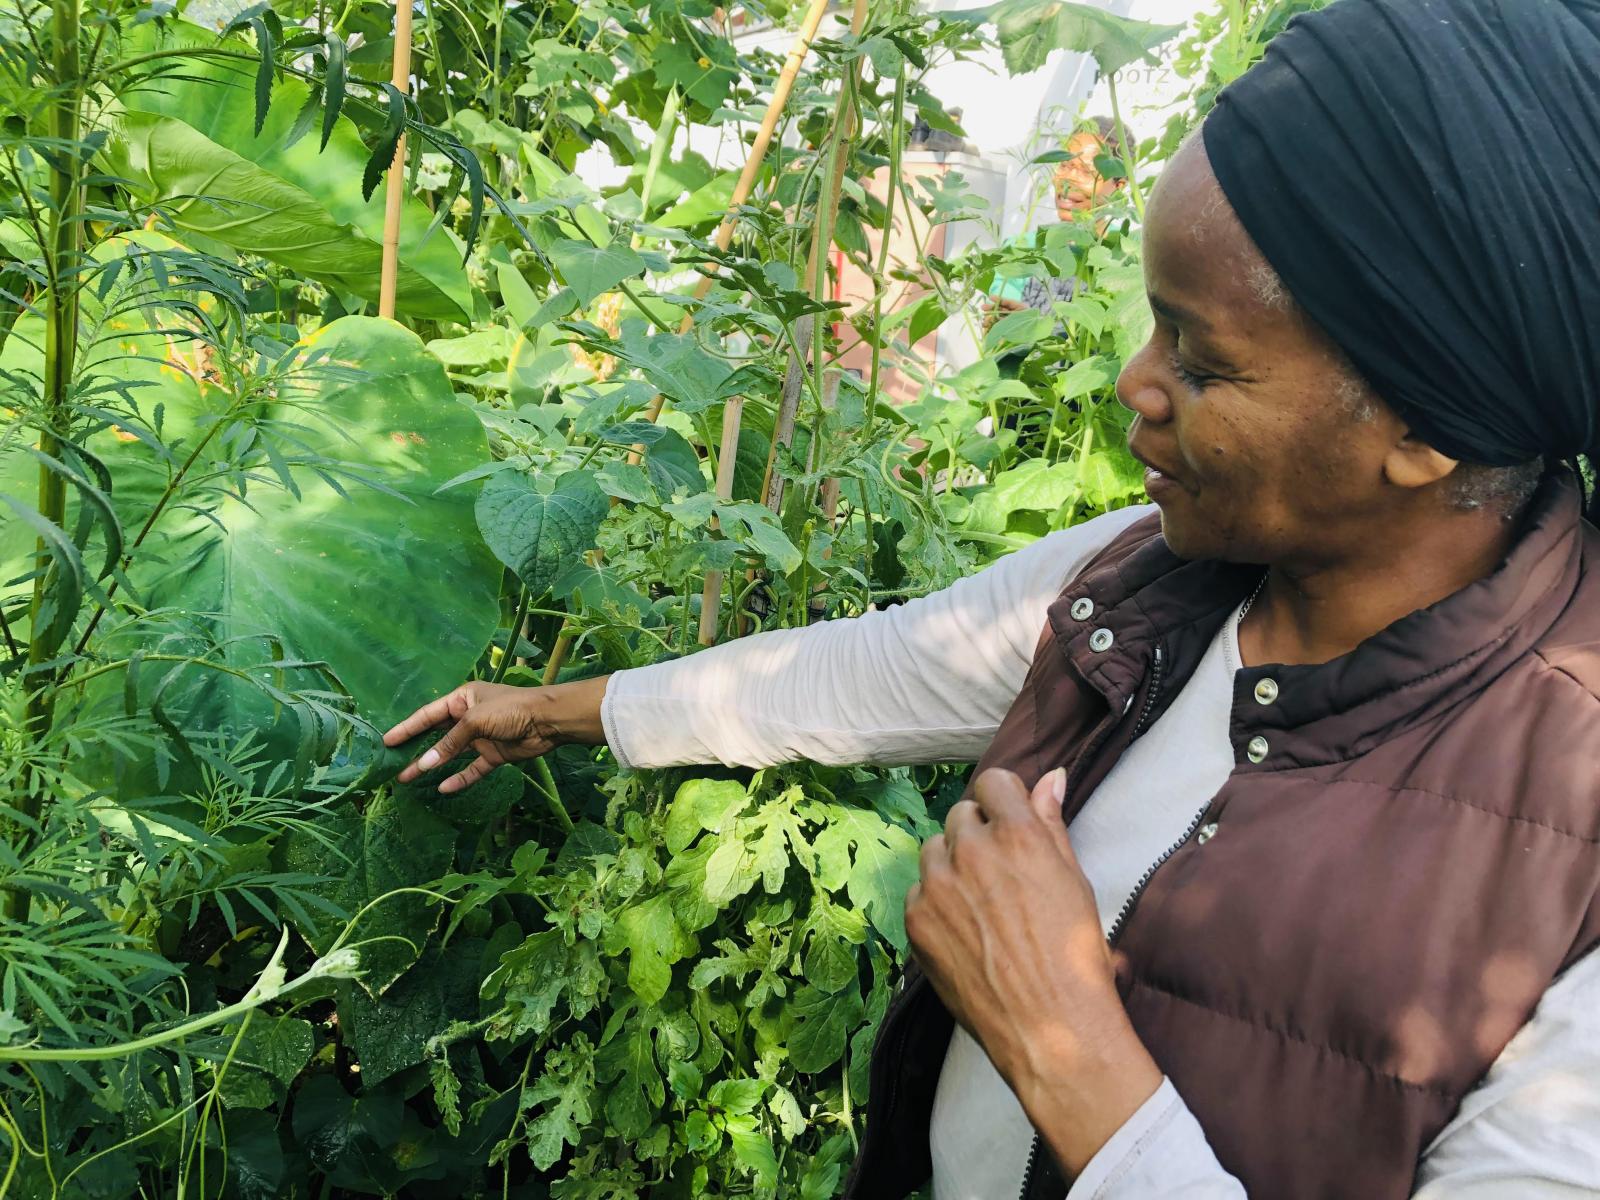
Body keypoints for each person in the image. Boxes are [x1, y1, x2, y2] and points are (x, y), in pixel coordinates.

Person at [384, 0, 1600, 1195]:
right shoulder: (1148, 577)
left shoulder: (1574, 810)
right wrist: (550, 711)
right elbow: (873, 670)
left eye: (1200, 360)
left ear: (1424, 429)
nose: (1135, 384)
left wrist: (1062, 1046)